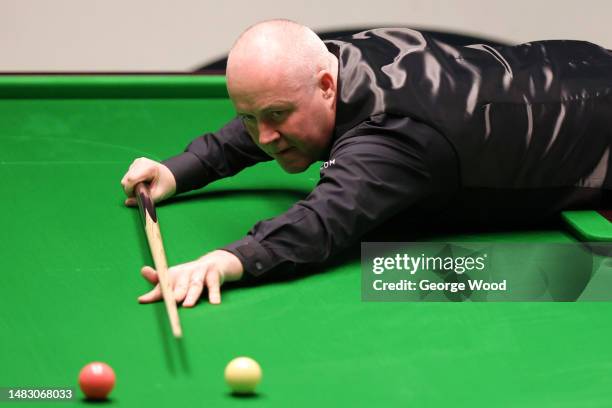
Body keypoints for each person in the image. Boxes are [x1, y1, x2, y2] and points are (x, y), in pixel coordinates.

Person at [121, 19, 612, 307]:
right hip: (569, 65)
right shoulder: (339, 60)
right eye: (250, 117)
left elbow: (323, 222)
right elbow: (268, 119)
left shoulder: (393, 138)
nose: (264, 135)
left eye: (275, 116)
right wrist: (177, 170)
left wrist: (226, 261)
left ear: (327, 87)